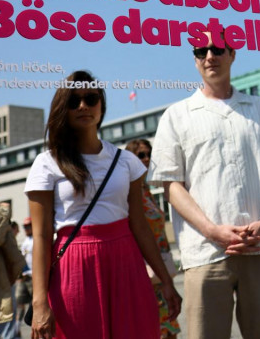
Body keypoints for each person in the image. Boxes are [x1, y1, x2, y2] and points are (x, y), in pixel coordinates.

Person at [152, 39, 260, 339]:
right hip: (205, 252)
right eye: (200, 51)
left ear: (232, 55)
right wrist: (211, 230)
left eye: (217, 49)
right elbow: (171, 186)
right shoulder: (176, 115)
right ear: (194, 60)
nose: (209, 56)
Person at [25, 71, 180, 339]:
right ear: (63, 109)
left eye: (91, 98)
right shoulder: (47, 163)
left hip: (126, 260)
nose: (83, 106)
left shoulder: (126, 161)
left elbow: (139, 225)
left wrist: (165, 279)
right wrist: (40, 303)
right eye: (74, 101)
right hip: (74, 265)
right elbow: (40, 236)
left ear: (101, 104)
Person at [126, 138, 182, 339]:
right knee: (155, 327)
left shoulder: (147, 191)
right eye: (141, 155)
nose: (147, 158)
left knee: (169, 324)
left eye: (150, 154)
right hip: (144, 269)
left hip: (161, 267)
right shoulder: (129, 193)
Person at [16, 217, 33, 335]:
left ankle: (35, 333)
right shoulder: (26, 241)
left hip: (34, 277)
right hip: (24, 276)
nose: (26, 228)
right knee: (19, 302)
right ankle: (17, 330)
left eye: (28, 226)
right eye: (24, 226)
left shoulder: (37, 239)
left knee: (35, 306)